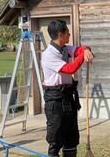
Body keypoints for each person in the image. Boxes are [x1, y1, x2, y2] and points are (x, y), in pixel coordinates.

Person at [41, 20, 94, 157]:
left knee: (71, 138)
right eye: (67, 32)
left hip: (68, 98)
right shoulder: (49, 54)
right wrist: (83, 56)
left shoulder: (65, 48)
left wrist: (86, 50)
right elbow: (70, 69)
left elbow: (79, 49)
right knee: (56, 139)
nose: (69, 34)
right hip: (55, 101)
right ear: (60, 34)